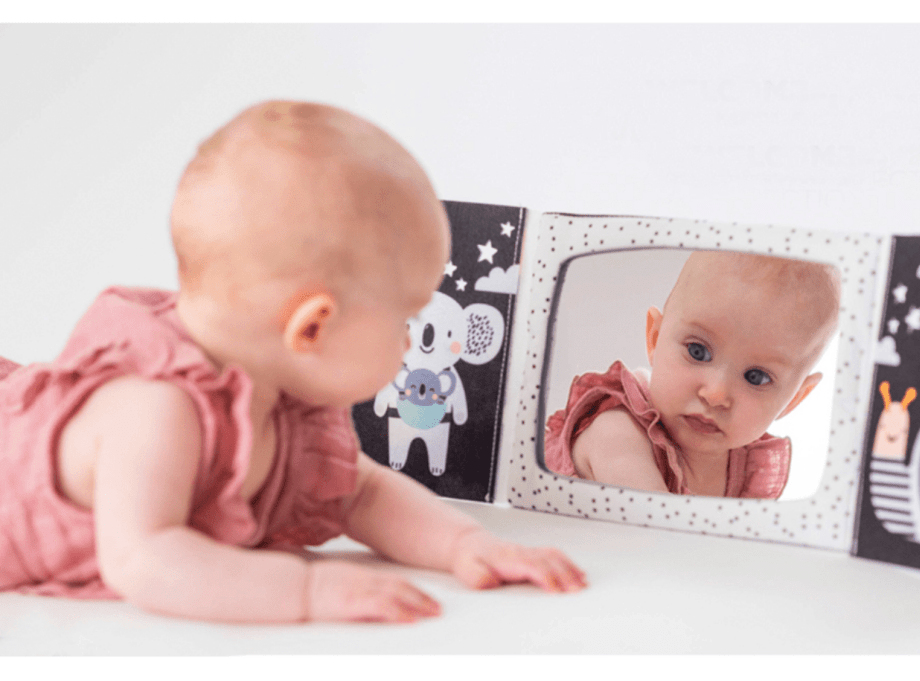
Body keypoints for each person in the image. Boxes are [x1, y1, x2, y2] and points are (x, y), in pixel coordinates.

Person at [0, 100, 586, 623]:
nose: (412, 344)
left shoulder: (284, 405)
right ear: (313, 326)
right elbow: (144, 559)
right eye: (405, 318)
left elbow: (365, 494)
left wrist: (465, 545)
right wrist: (306, 591)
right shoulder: (157, 407)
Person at [545, 250, 841, 499]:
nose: (716, 394)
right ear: (655, 338)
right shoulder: (618, 434)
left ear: (794, 399)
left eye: (757, 377)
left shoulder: (747, 466)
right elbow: (655, 536)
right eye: (698, 351)